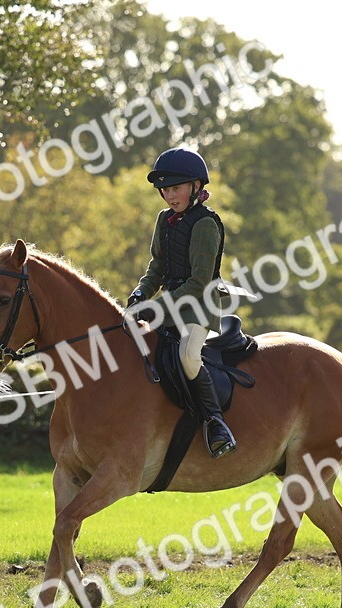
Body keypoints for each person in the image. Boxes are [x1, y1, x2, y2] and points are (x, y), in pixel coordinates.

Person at [127, 147, 237, 458]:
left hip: (199, 306)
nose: (170, 196)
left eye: (176, 188)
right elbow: (157, 267)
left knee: (189, 356)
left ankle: (216, 423)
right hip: (169, 303)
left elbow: (199, 283)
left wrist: (156, 307)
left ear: (196, 186)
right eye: (165, 190)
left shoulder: (205, 223)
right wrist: (140, 294)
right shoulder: (164, 219)